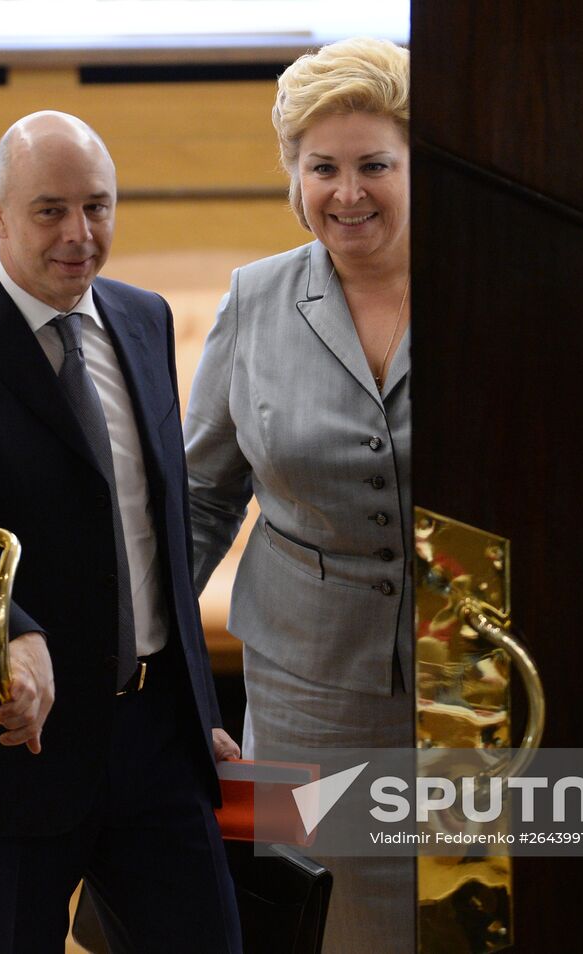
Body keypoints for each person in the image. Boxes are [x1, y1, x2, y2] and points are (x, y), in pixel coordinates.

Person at [0, 110, 243, 954]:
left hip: (160, 740)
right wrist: (11, 631)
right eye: (50, 210)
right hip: (26, 748)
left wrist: (192, 700)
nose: (79, 235)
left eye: (98, 207)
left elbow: (155, 523)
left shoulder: (143, 317)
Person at [183, 37, 414, 952]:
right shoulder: (255, 300)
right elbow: (200, 498)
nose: (347, 192)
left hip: (468, 688)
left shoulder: (491, 287)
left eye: (374, 165)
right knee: (302, 929)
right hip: (300, 693)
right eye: (324, 168)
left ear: (416, 167)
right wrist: (166, 682)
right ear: (295, 176)